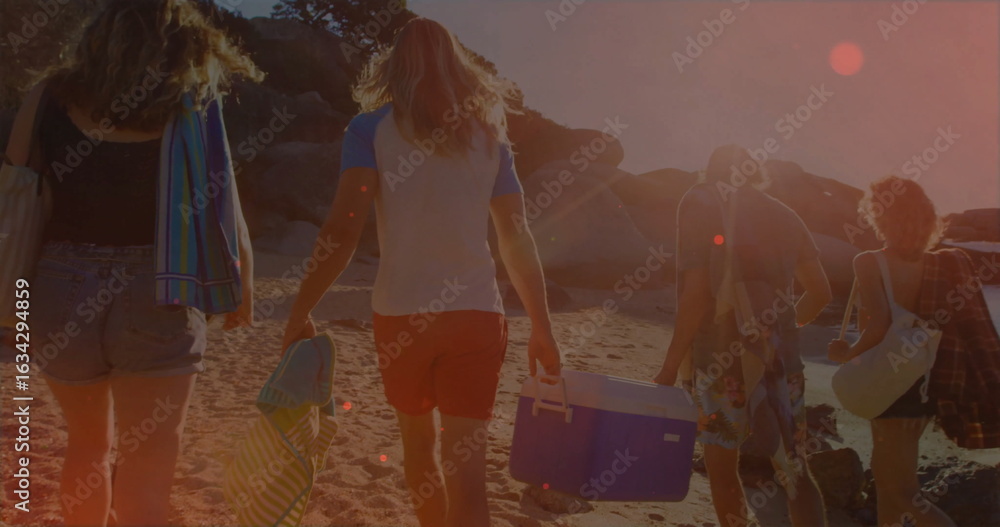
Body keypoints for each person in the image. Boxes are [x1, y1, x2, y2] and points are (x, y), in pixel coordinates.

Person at [281, 18, 562, 527]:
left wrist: (299, 311)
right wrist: (542, 327)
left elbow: (341, 231)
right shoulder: (491, 141)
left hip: (401, 315)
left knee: (419, 450)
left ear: (393, 68)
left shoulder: (369, 130)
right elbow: (516, 237)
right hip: (476, 316)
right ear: (460, 68)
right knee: (469, 474)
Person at [3, 1, 260, 525]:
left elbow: (16, 188)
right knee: (148, 461)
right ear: (180, 40)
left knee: (86, 446)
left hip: (57, 287)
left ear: (96, 37)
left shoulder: (49, 96)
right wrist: (243, 283)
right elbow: (220, 196)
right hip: (159, 285)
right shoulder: (191, 100)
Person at [654, 145, 832, 527]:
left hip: (722, 362)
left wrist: (669, 366)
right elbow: (821, 292)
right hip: (782, 360)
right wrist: (778, 327)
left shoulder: (700, 200)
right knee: (795, 470)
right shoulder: (785, 214)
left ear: (710, 170)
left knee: (721, 467)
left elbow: (698, 292)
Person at [828, 176, 999, 527]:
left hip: (891, 386)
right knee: (888, 488)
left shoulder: (869, 261)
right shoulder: (939, 264)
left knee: (903, 492)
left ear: (881, 214)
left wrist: (847, 354)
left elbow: (878, 327)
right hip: (923, 382)